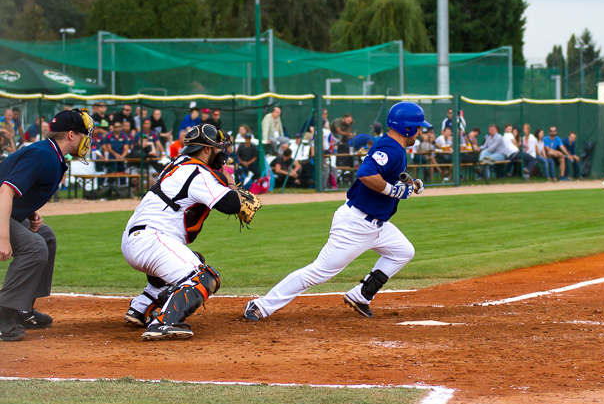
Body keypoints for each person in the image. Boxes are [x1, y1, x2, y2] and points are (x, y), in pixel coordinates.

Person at [244, 101, 429, 321]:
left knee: (403, 251)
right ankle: (261, 305)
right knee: (319, 272)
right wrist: (393, 190)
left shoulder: (391, 146)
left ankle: (361, 295)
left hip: (377, 224)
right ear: (407, 127)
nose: (420, 131)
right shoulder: (392, 148)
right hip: (357, 224)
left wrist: (406, 186)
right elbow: (366, 174)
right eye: (418, 127)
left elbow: (386, 175)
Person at [121, 124, 243, 341]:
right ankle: (164, 323)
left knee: (194, 261)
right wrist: (231, 183)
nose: (222, 154)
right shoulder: (198, 172)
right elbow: (233, 204)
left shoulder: (178, 164)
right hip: (152, 241)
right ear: (206, 149)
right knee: (204, 277)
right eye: (218, 148)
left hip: (137, 239)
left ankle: (142, 307)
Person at [0, 109, 93, 341]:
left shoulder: (51, 154)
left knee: (45, 236)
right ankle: (3, 316)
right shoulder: (42, 155)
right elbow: (5, 190)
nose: (86, 139)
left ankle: (23, 309)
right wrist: (3, 237)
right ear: (71, 135)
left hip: (6, 208)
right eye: (83, 134)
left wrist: (30, 213)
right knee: (34, 246)